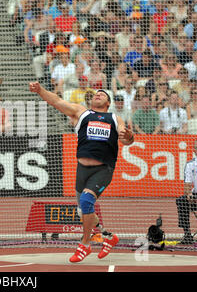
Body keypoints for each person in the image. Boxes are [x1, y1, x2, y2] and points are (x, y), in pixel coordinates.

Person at [29, 81, 134, 263]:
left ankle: (85, 244)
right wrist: (40, 90)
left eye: (102, 94)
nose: (98, 94)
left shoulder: (114, 119)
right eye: (96, 93)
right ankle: (109, 237)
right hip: (81, 170)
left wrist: (130, 137)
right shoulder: (81, 112)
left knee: (86, 201)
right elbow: (56, 101)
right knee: (83, 211)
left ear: (108, 103)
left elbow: (126, 140)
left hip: (103, 169)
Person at [176, 138, 197, 244]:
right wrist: (189, 195)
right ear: (193, 150)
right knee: (181, 200)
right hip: (196, 197)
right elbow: (187, 185)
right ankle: (187, 235)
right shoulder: (190, 165)